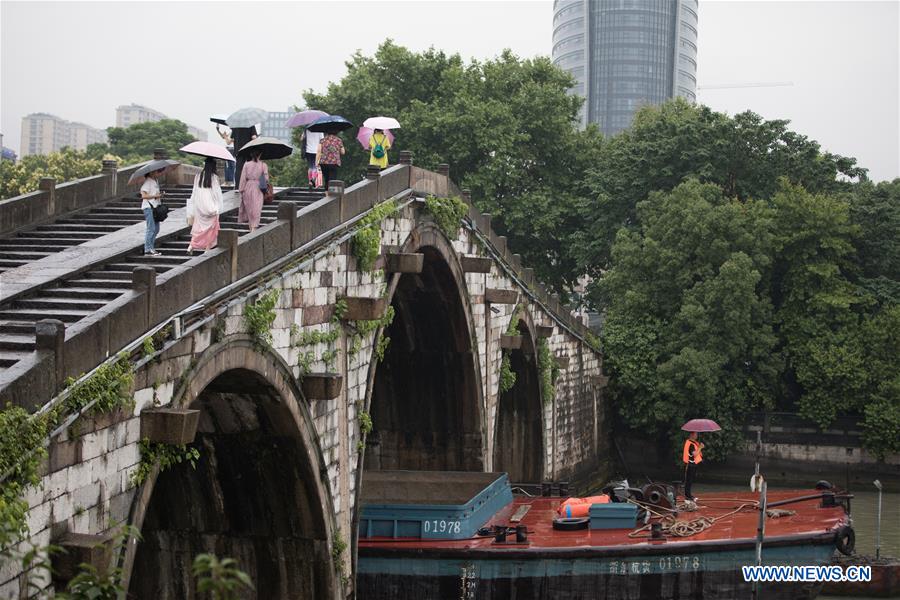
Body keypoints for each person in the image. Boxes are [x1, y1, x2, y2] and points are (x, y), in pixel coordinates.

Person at [186, 157, 223, 253]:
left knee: (198, 227)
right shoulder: (214, 177)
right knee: (211, 228)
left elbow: (194, 191)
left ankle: (191, 246)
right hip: (210, 204)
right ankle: (207, 247)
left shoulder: (198, 175)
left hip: (199, 204)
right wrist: (218, 205)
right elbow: (216, 193)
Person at [238, 149, 268, 232]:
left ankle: (251, 227)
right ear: (260, 154)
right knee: (257, 208)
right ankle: (254, 228)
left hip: (248, 187)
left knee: (249, 208)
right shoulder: (263, 165)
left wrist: (241, 189)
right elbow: (266, 179)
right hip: (258, 187)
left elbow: (243, 178)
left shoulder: (246, 164)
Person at [140, 169, 164, 256]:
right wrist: (156, 196)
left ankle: (151, 248)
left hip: (155, 207)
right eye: (157, 171)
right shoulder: (148, 182)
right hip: (148, 207)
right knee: (151, 229)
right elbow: (143, 195)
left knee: (156, 229)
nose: (159, 173)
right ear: (151, 172)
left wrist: (159, 195)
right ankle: (147, 249)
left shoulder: (155, 181)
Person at [682, 431, 704, 501]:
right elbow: (694, 454)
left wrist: (699, 447)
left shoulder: (694, 443)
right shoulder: (690, 444)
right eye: (695, 434)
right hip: (690, 464)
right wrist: (700, 447)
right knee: (688, 481)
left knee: (690, 481)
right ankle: (687, 496)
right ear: (692, 435)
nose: (697, 435)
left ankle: (689, 495)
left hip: (693, 464)